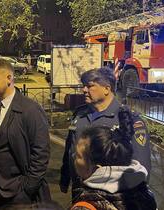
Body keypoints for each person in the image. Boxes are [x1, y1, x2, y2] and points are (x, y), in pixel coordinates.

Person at [59, 67, 151, 199]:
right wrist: (64, 178)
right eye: (83, 86)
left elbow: (141, 167)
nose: (84, 90)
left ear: (107, 89)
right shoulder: (80, 114)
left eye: (90, 86)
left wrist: (132, 200)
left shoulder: (128, 119)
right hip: (80, 191)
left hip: (111, 197)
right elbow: (70, 149)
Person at [0, 59, 51, 209]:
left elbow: (41, 153)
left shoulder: (30, 110)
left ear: (9, 78)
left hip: (19, 193)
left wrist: (27, 188)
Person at [71, 107, 157, 210]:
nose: (74, 158)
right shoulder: (147, 196)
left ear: (97, 168)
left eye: (79, 156)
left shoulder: (86, 206)